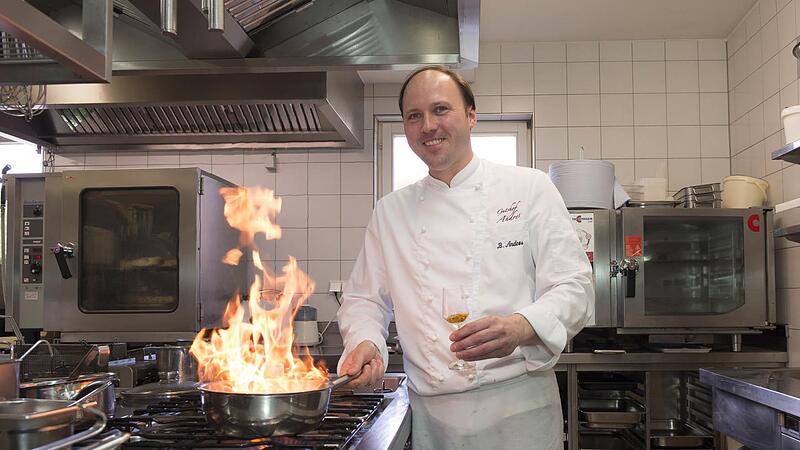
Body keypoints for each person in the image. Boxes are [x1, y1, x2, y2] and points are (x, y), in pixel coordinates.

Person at [336, 65, 594, 450]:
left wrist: (522, 326)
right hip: (433, 418)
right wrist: (366, 341)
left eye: (440, 109)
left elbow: (575, 287)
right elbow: (364, 299)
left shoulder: (529, 188)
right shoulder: (390, 211)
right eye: (414, 116)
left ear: (471, 115)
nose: (428, 126)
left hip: (519, 411)